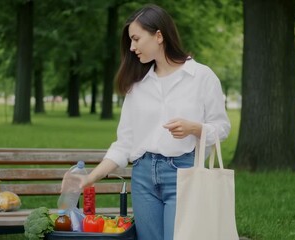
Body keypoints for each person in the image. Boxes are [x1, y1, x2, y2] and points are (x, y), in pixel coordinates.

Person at [74, 4, 230, 240]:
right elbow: (124, 144)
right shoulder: (137, 85)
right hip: (143, 177)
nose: (131, 47)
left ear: (159, 35)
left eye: (136, 39)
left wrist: (195, 128)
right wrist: (89, 179)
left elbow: (222, 127)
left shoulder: (201, 76)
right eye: (130, 41)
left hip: (183, 174)